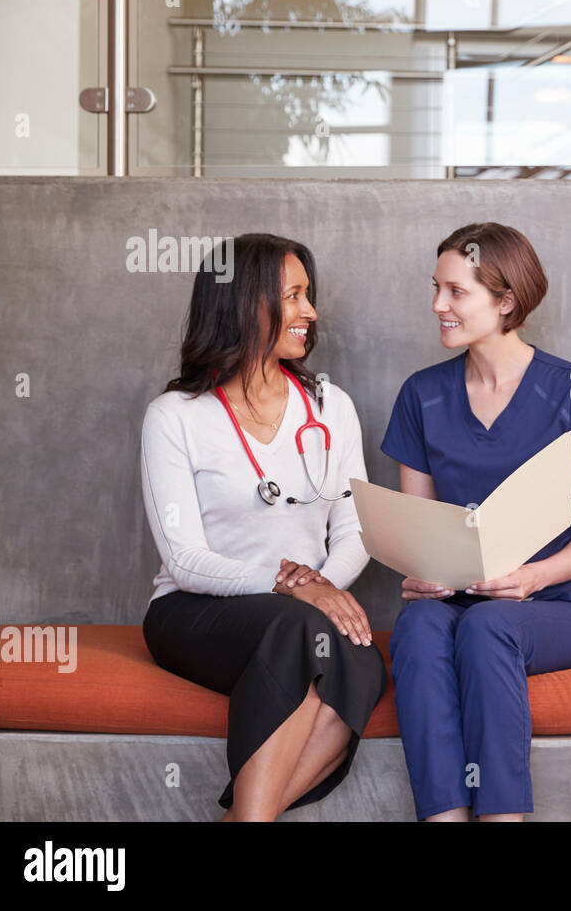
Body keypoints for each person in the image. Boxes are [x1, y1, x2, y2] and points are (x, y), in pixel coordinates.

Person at [382, 222, 571, 822]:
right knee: (416, 625)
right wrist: (417, 574)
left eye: (456, 292)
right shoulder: (422, 394)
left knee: (490, 625)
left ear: (506, 300)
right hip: (458, 601)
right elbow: (422, 527)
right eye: (436, 288)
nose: (438, 305)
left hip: (560, 605)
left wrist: (531, 578)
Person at [139, 233, 386, 821]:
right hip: (195, 611)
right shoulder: (174, 417)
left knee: (359, 658)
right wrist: (293, 587)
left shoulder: (331, 408)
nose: (311, 312)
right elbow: (183, 558)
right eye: (294, 296)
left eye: (308, 295)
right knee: (305, 632)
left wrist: (321, 587)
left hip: (299, 614)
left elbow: (357, 530)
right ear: (242, 303)